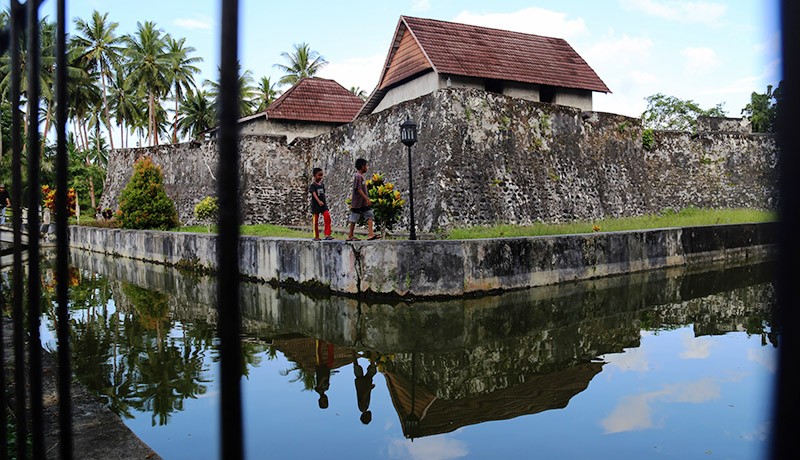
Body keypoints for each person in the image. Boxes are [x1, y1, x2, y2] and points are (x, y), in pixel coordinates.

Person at [346, 158, 380, 241]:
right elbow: (358, 189)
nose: (367, 168)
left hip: (362, 202)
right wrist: (366, 199)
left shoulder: (361, 176)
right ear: (362, 167)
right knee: (354, 218)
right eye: (366, 166)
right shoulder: (358, 177)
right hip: (358, 202)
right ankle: (350, 235)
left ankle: (370, 234)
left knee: (369, 214)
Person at [308, 167, 333, 241]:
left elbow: (323, 194)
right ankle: (316, 236)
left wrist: (323, 202)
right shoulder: (313, 185)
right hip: (316, 205)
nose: (321, 177)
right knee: (315, 221)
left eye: (321, 175)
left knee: (327, 217)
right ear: (314, 175)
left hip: (323, 205)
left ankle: (327, 234)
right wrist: (318, 201)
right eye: (319, 175)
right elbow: (314, 194)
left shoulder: (322, 185)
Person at [353, 356, 378, 424]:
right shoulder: (365, 407)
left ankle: (353, 353)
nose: (371, 415)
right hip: (364, 382)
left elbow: (363, 397)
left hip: (362, 384)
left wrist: (369, 388)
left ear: (366, 416)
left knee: (359, 368)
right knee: (371, 371)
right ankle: (354, 353)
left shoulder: (363, 408)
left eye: (370, 417)